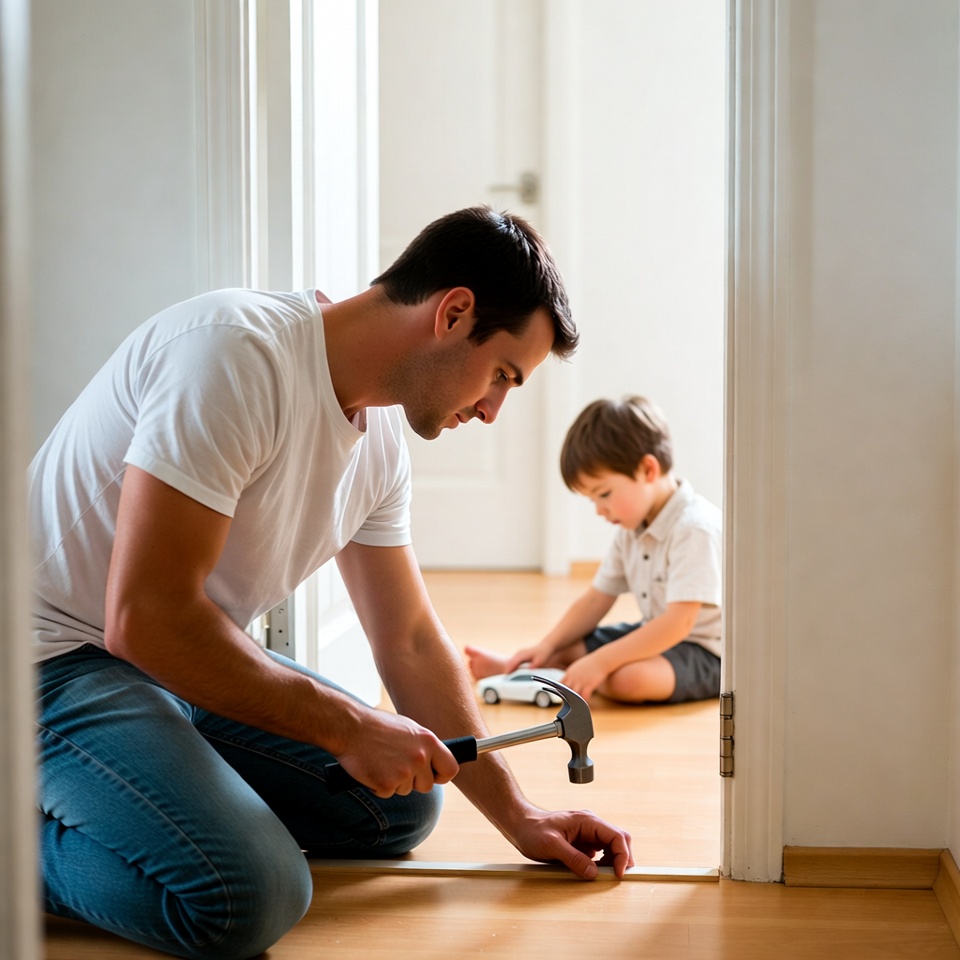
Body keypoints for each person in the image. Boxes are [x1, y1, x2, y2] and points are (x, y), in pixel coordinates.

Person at [31, 206, 634, 960]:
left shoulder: (379, 442)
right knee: (247, 897)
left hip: (166, 666)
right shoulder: (234, 357)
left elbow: (409, 641)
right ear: (453, 312)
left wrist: (520, 816)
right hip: (53, 661)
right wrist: (348, 728)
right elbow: (145, 619)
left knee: (399, 808)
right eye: (502, 376)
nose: (491, 410)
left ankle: (148, 784)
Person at [467, 395, 722, 705]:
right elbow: (595, 599)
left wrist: (602, 662)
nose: (599, 510)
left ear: (648, 470)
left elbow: (677, 624)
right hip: (655, 633)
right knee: (568, 647)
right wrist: (546, 646)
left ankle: (555, 675)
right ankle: (527, 668)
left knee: (627, 680)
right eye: (592, 500)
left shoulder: (693, 528)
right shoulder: (632, 527)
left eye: (604, 494)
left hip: (706, 651)